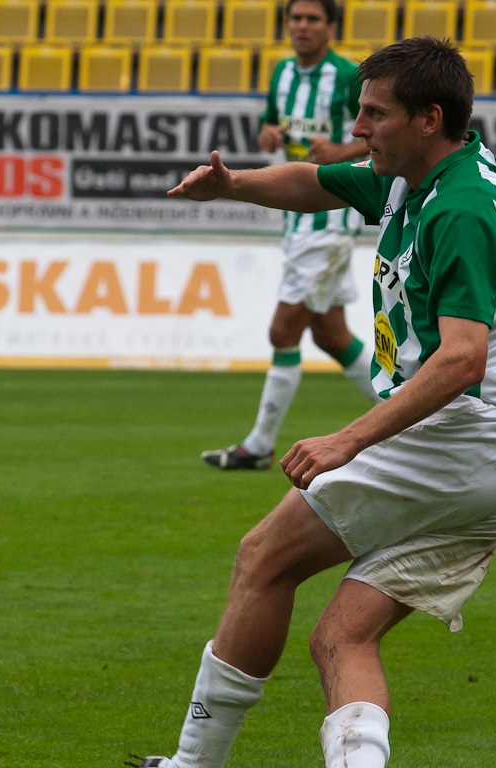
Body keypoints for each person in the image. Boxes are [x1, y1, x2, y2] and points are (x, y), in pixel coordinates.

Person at [83, 37, 496, 768]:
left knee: (264, 556)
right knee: (343, 634)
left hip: (466, 439)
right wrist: (233, 185)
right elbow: (317, 180)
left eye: (374, 113)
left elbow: (462, 358)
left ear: (429, 118)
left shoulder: (459, 208)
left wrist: (348, 438)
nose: (358, 127)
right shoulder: (424, 177)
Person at [201, 0, 376, 472]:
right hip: (297, 218)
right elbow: (272, 125)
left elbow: (382, 133)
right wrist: (268, 136)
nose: (302, 26)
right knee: (332, 335)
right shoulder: (281, 73)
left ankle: (258, 445)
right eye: (295, 18)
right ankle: (410, 415)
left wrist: (341, 151)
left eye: (313, 19)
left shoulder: (348, 76)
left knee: (283, 329)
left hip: (330, 220)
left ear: (331, 27)